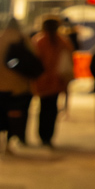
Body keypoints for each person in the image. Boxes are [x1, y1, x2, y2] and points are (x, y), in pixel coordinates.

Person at [0, 18, 34, 150]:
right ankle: (10, 139)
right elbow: (34, 58)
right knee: (16, 113)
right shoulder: (23, 39)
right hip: (19, 85)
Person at [31, 15, 73, 146]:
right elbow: (70, 59)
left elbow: (34, 60)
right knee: (52, 108)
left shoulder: (39, 41)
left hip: (42, 80)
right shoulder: (63, 42)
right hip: (57, 81)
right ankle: (49, 135)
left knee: (43, 108)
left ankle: (42, 135)